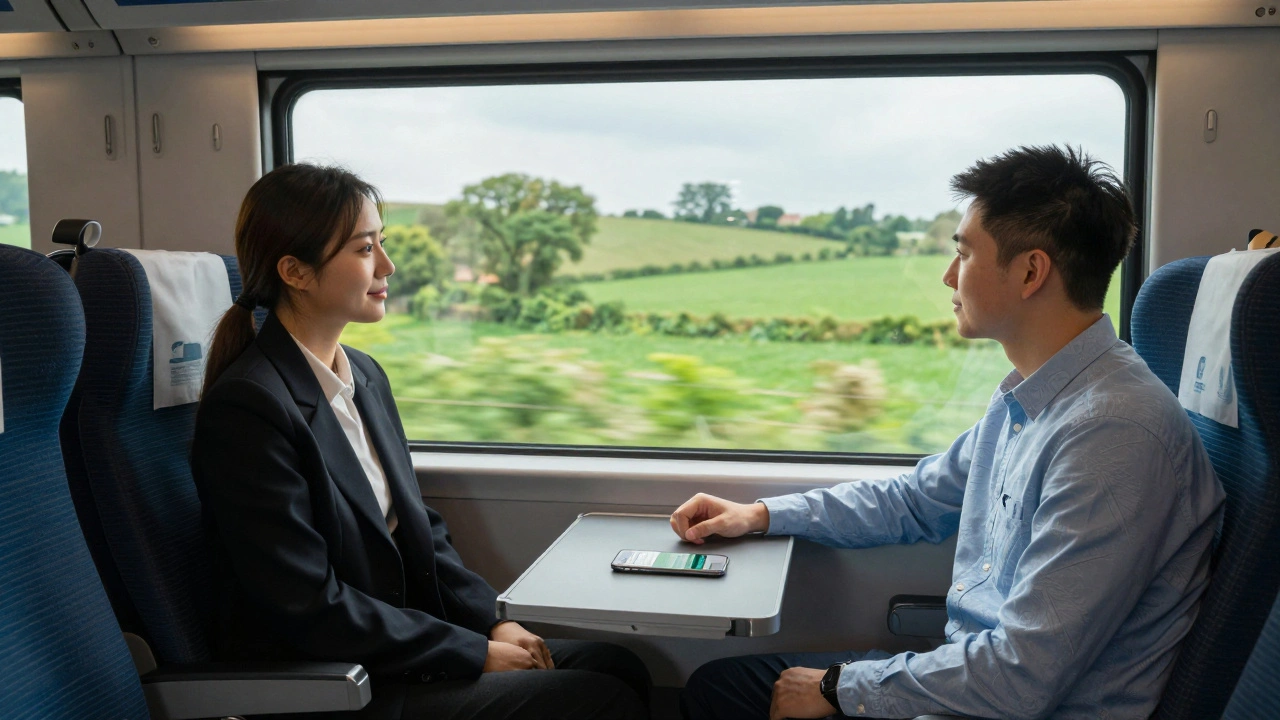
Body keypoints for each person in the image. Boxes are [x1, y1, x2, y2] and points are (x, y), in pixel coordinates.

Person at [672, 146, 1225, 720]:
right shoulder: (1033, 397)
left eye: (964, 254)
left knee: (726, 696)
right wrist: (760, 515)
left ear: (1031, 271)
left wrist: (839, 687)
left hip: (1015, 704)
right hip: (973, 675)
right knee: (720, 685)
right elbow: (915, 501)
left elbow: (1024, 677)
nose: (947, 275)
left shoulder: (1113, 434)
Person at [191, 164, 649, 720]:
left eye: (382, 242)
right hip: (341, 678)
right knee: (600, 698)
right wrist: (471, 652)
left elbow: (417, 528)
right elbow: (307, 603)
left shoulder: (364, 375)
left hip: (399, 643)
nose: (387, 265)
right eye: (364, 249)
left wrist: (492, 620)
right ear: (296, 271)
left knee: (618, 665)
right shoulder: (250, 407)